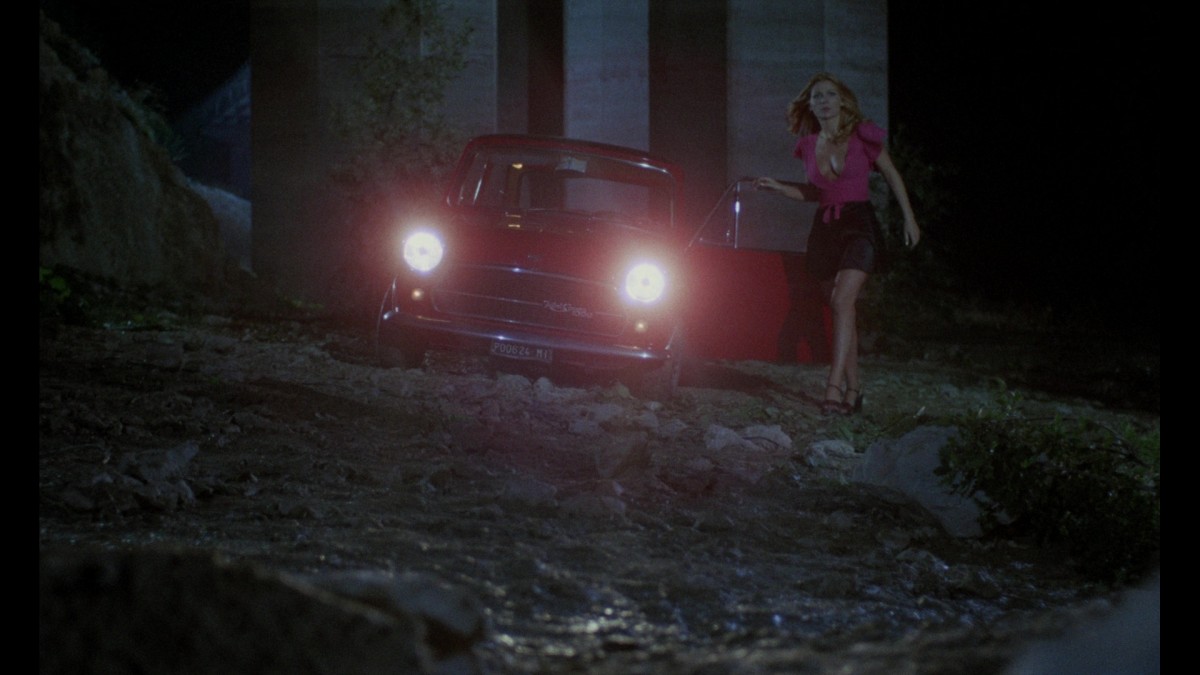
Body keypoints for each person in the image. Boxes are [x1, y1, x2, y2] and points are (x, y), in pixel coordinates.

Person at [756, 72, 920, 415]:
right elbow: (814, 193)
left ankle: (833, 387)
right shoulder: (808, 145)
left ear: (842, 101)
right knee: (844, 308)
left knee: (842, 299)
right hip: (826, 230)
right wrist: (780, 188)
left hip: (859, 224)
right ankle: (854, 391)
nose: (824, 101)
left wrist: (909, 217)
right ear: (810, 105)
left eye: (830, 94)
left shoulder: (863, 135)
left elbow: (892, 174)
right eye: (817, 96)